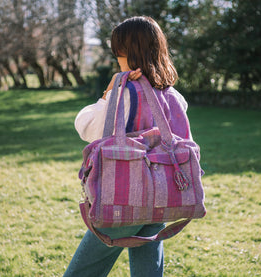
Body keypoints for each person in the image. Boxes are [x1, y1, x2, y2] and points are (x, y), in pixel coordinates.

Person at [64, 16, 193, 277]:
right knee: (149, 270)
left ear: (130, 54)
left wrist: (108, 92)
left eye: (119, 53)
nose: (117, 60)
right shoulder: (173, 96)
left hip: (123, 199)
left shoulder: (124, 93)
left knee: (83, 271)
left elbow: (86, 127)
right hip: (162, 196)